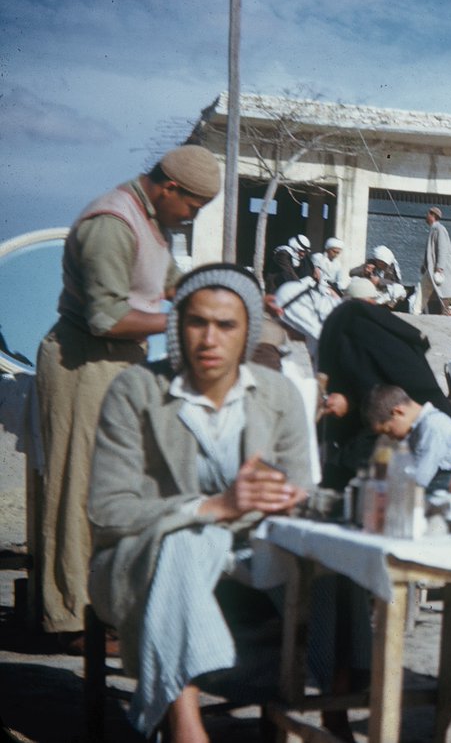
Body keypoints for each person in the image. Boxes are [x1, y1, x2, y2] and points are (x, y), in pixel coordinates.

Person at [87, 264, 310, 738]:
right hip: (144, 559)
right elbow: (107, 512)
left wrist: (292, 498)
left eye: (226, 325)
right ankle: (185, 720)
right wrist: (210, 508)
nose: (210, 339)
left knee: (338, 580)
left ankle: (331, 706)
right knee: (186, 542)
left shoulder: (278, 394)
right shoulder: (136, 391)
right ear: (177, 324)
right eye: (197, 322)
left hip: (250, 560)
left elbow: (303, 486)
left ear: (248, 331)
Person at [35, 144, 220, 648]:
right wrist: (188, 321)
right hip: (83, 362)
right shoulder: (112, 223)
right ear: (170, 188)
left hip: (122, 363)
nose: (191, 217)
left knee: (118, 489)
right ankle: (70, 619)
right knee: (77, 490)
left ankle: (106, 608)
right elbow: (106, 317)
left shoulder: (155, 221)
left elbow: (174, 284)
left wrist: (229, 296)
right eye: (192, 207)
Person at [316, 278, 451, 489]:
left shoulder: (353, 325)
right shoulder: (382, 329)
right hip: (409, 421)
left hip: (405, 431)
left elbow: (368, 386)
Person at [365, 384, 451, 517]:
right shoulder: (419, 429)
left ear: (398, 412)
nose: (391, 437)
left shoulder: (433, 426)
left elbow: (421, 476)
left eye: (388, 431)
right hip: (433, 492)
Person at [417, 207, 451, 315]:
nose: (426, 216)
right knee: (434, 289)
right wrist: (425, 265)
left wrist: (440, 267)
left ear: (433, 215)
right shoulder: (434, 229)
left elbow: (442, 248)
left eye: (428, 214)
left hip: (438, 268)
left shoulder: (439, 229)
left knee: (429, 289)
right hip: (432, 268)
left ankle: (415, 311)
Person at [349, 245, 407, 310]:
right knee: (355, 279)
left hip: (383, 293)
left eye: (382, 262)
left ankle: (376, 303)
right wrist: (364, 270)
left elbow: (396, 283)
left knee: (399, 289)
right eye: (378, 261)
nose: (380, 264)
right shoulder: (371, 263)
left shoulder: (392, 268)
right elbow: (352, 273)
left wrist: (380, 281)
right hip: (369, 290)